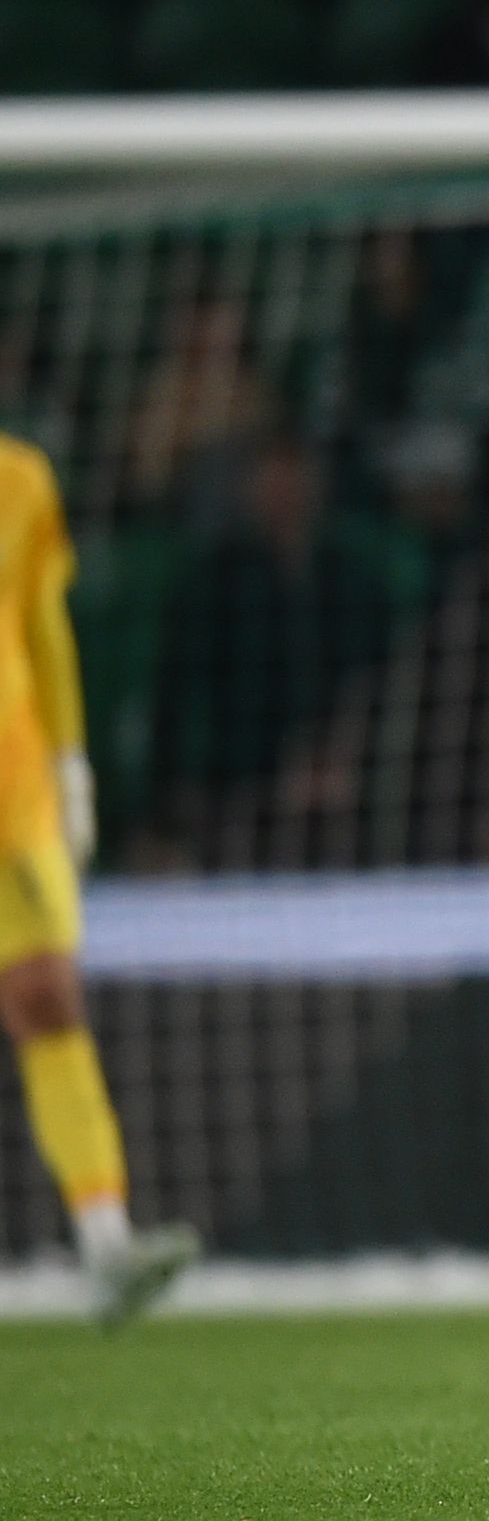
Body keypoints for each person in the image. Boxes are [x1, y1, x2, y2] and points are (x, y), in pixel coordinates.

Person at [0, 436, 189, 1323]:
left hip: (14, 787)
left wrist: (72, 760)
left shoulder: (22, 479)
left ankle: (105, 1243)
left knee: (47, 998)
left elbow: (41, 622)